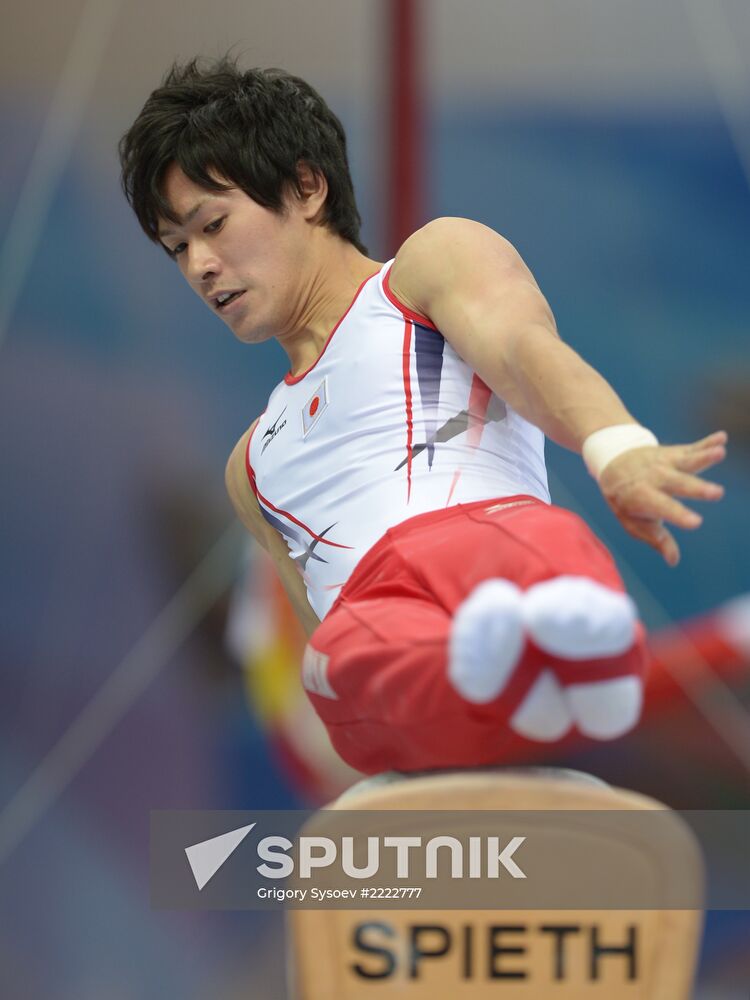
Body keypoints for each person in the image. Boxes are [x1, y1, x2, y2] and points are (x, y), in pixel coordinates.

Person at [119, 56, 727, 775]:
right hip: (376, 636)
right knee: (349, 649)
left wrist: (615, 446)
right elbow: (319, 647)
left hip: (490, 549)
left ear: (306, 187)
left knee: (528, 542)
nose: (200, 265)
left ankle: (549, 652)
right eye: (178, 248)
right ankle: (495, 674)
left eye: (212, 225)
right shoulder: (251, 467)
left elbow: (522, 350)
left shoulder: (423, 273)